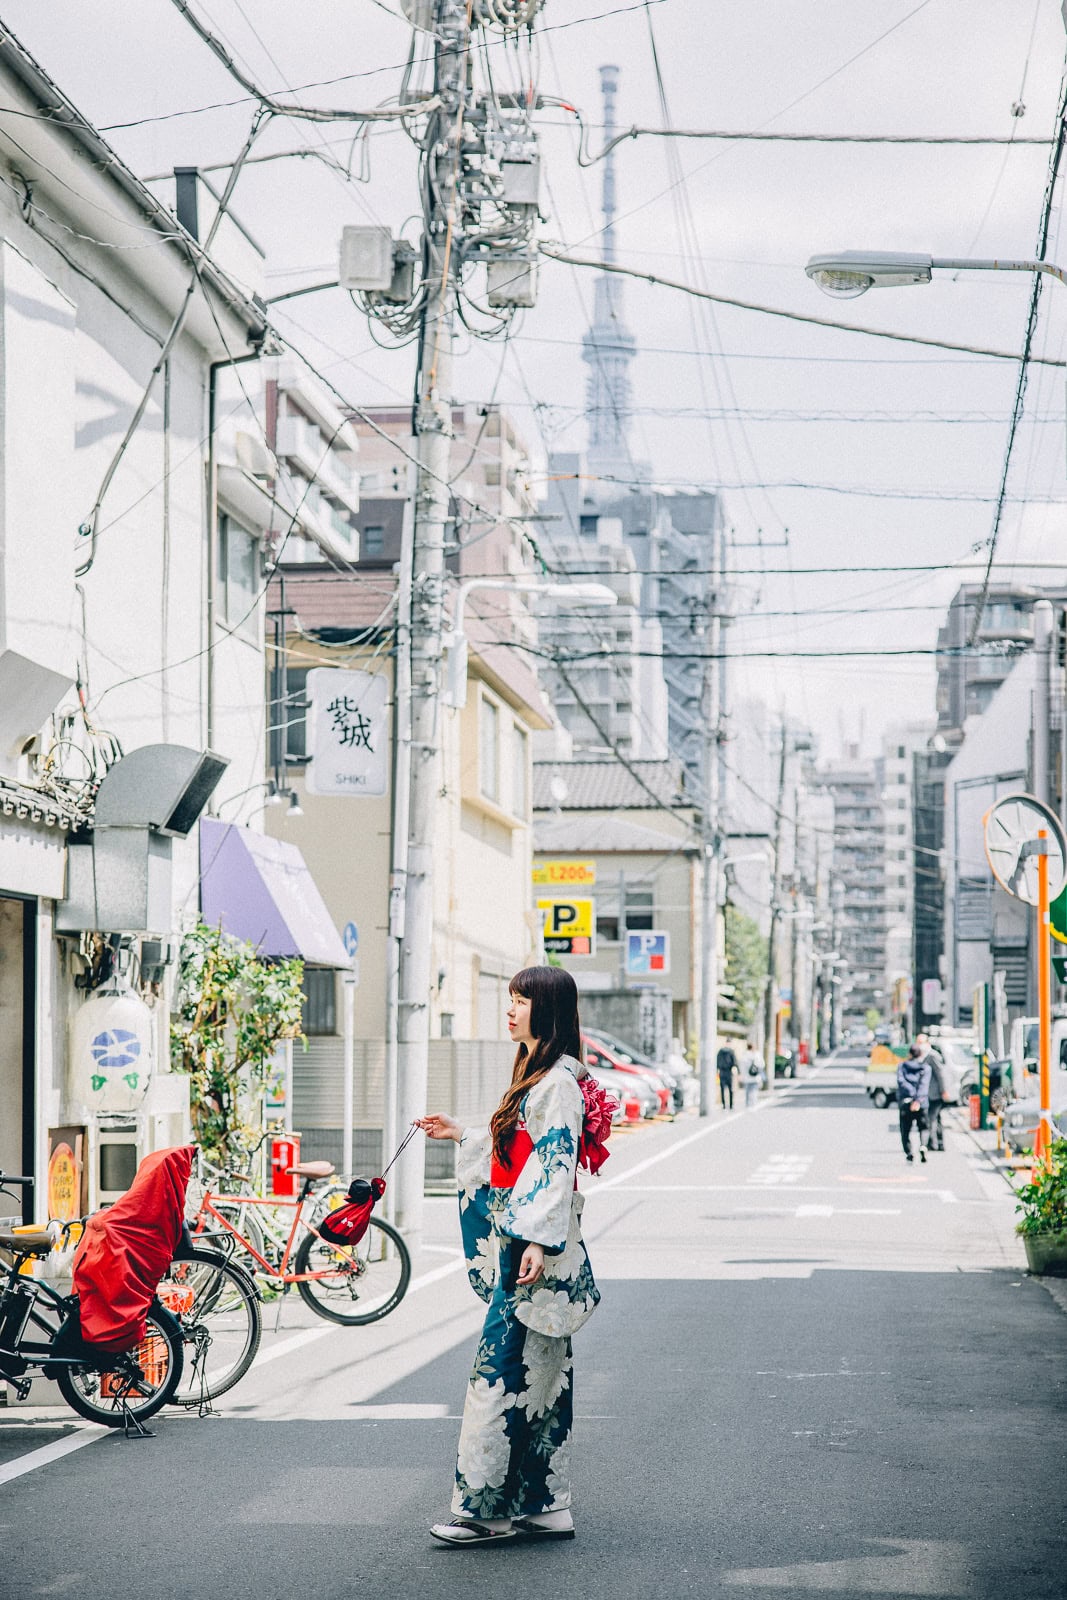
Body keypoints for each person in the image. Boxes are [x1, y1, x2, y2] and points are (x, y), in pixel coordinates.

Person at [417, 966, 601, 1547]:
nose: (511, 1009)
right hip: (532, 1248)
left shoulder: (555, 1083)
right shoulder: (541, 1075)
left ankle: (488, 1512)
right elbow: (520, 1156)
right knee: (542, 1378)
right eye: (511, 998)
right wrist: (462, 1134)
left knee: (497, 1376)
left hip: (530, 1252)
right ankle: (545, 1506)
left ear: (548, 1010)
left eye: (522, 1000)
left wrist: (538, 1242)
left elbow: (553, 1167)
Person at [896, 1044, 931, 1164]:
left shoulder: (902, 1066)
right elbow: (924, 1085)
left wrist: (911, 1096)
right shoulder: (925, 1068)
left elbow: (901, 1081)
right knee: (924, 1127)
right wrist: (917, 1100)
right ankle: (923, 1146)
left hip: (906, 1101)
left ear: (909, 1054)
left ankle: (909, 1152)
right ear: (920, 1054)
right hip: (921, 1103)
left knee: (905, 1130)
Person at [915, 1032, 947, 1152]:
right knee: (936, 1118)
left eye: (921, 1042)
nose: (919, 1045)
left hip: (935, 1093)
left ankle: (932, 1143)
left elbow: (940, 1074)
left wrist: (943, 1090)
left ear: (927, 1043)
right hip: (928, 1094)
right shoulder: (922, 1056)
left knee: (931, 1118)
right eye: (918, 1043)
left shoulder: (932, 1055)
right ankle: (940, 1143)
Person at [742, 1041, 764, 1109]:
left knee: (747, 1091)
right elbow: (762, 1065)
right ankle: (754, 1104)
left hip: (747, 1077)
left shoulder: (745, 1055)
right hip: (755, 1076)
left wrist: (742, 1075)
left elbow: (742, 1067)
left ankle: (747, 1105)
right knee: (754, 1091)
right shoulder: (758, 1055)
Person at [716, 1043, 738, 1109]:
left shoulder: (720, 1052)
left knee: (722, 1089)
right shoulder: (731, 1051)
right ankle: (731, 1105)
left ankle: (724, 1105)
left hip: (722, 1072)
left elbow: (717, 1062)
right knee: (730, 1089)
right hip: (729, 1072)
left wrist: (718, 1069)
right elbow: (734, 1062)